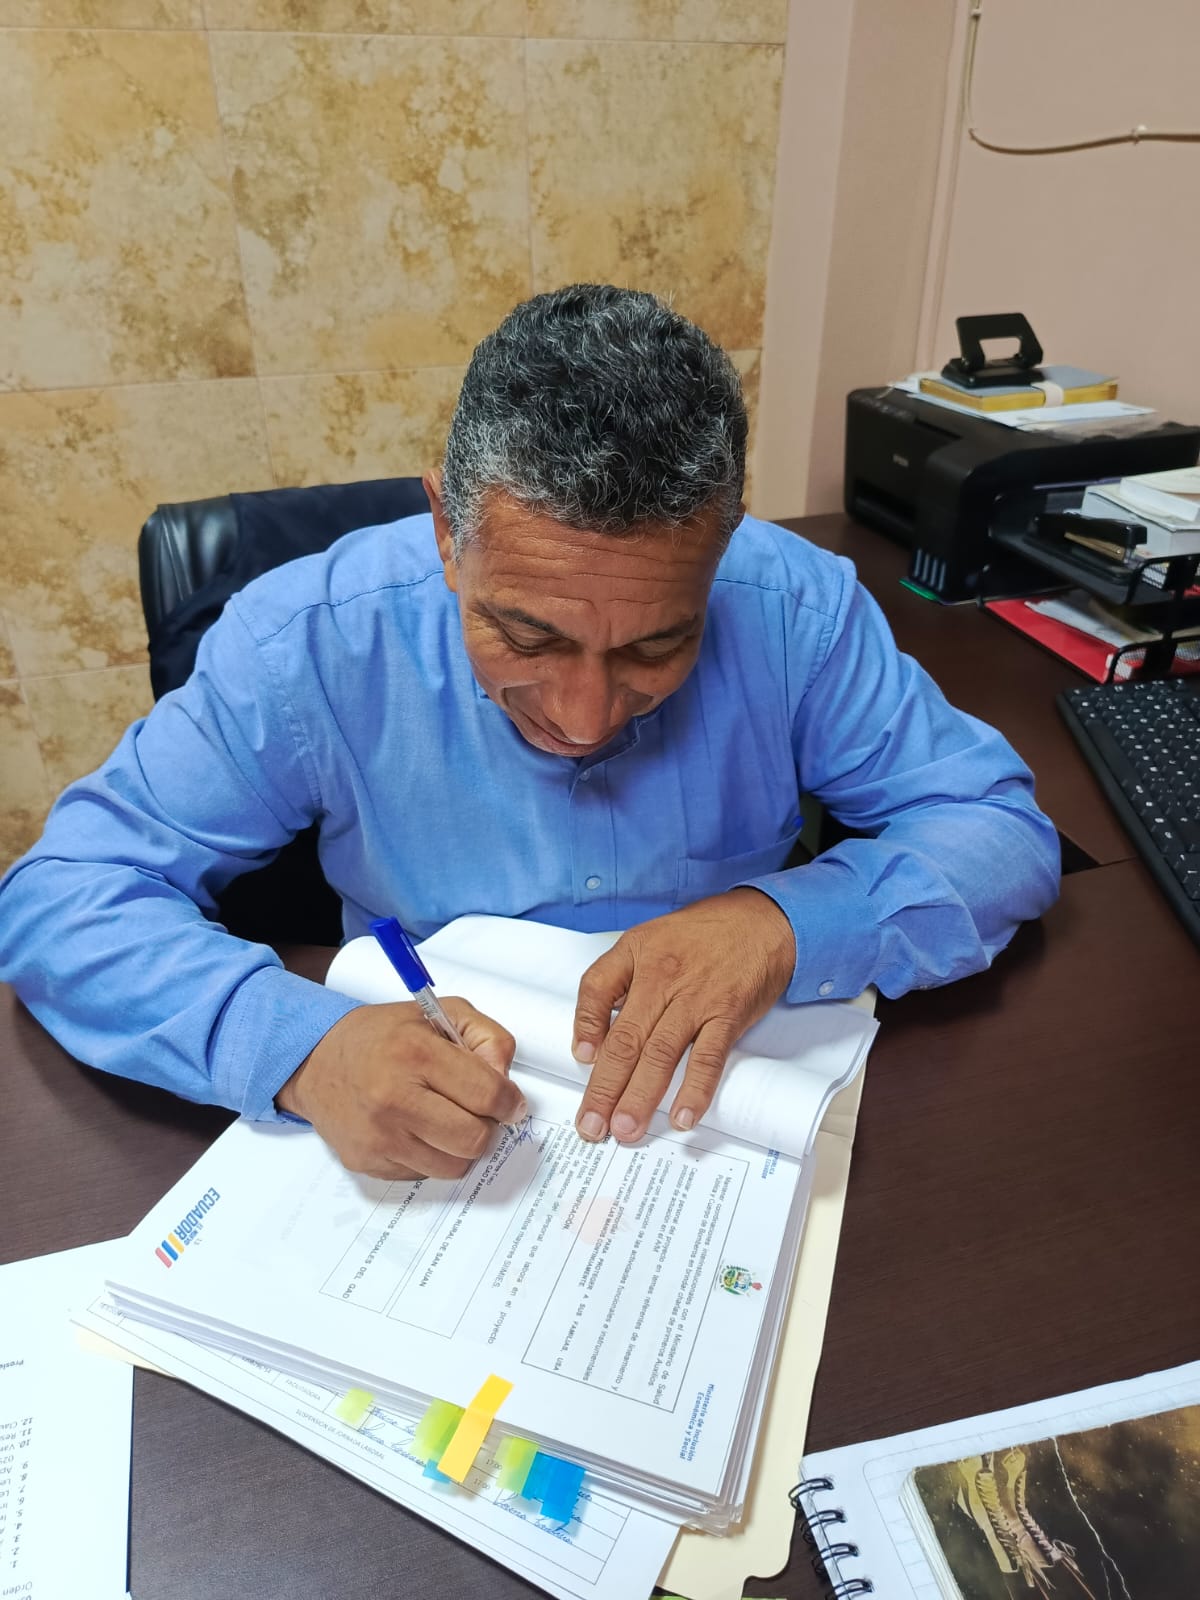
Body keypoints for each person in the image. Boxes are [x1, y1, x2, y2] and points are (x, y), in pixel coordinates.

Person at [0, 285, 1060, 1180]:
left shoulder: (796, 611)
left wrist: (785, 922)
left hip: (733, 1115)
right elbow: (63, 894)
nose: (584, 718)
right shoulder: (309, 643)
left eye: (657, 645)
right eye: (525, 635)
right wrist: (302, 1049)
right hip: (427, 1105)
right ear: (445, 532)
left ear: (724, 544)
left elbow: (997, 828)